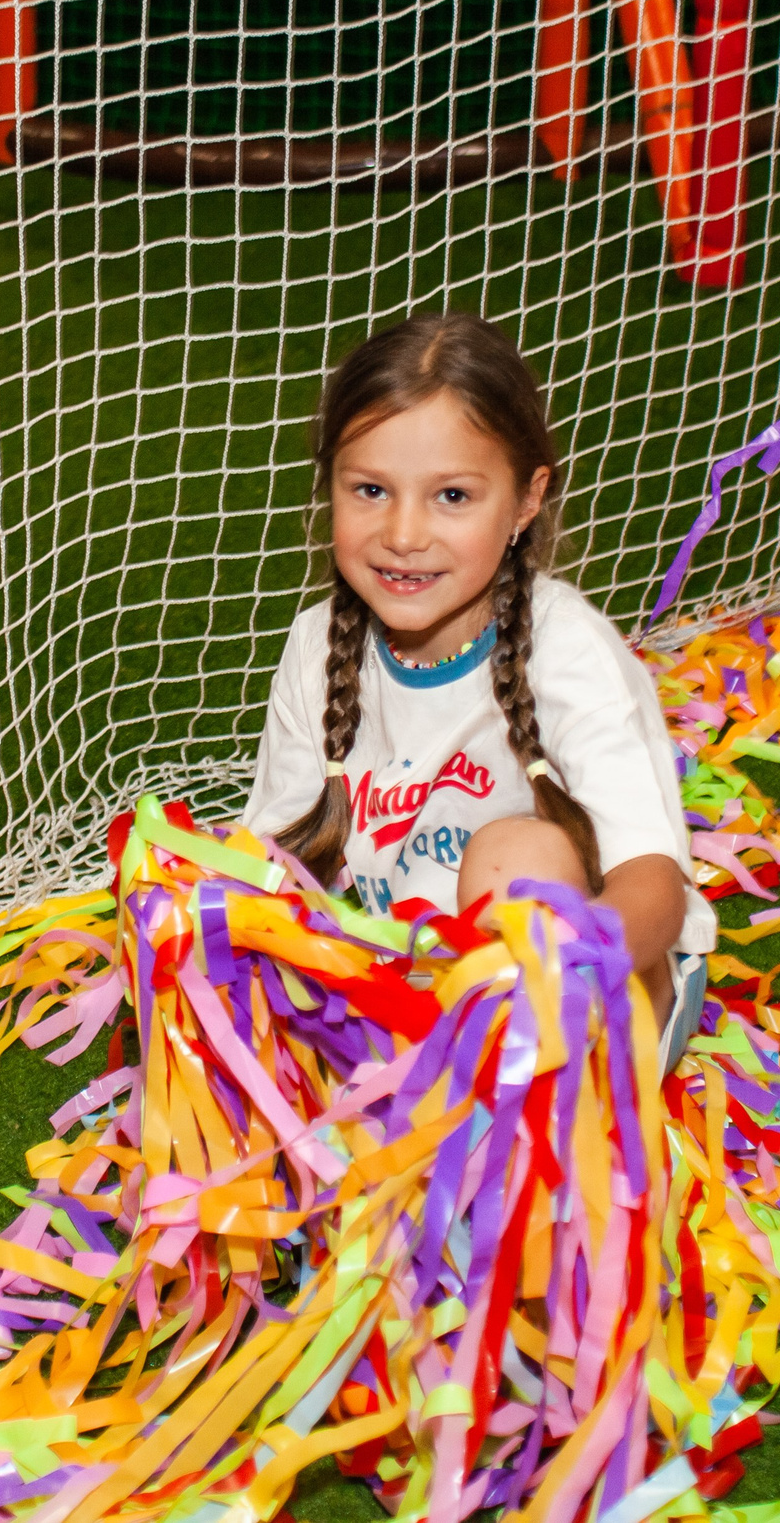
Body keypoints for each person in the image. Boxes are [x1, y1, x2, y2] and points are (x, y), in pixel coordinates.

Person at [241, 313, 715, 1058]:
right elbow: (280, 863)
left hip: (603, 977)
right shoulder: (316, 647)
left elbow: (653, 888)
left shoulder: (565, 648)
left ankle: (530, 1131)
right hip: (429, 987)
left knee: (512, 855)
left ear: (527, 502)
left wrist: (563, 971)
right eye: (369, 489)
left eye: (452, 496)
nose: (403, 533)